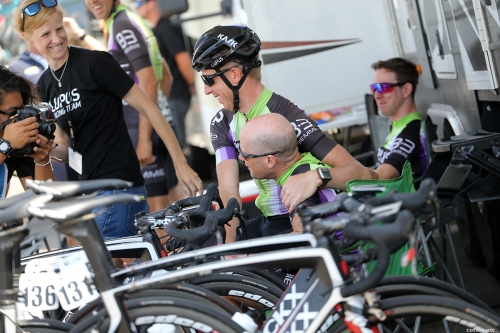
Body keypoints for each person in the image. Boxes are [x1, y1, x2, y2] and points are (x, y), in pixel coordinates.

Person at [13, 0, 203, 239]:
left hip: (120, 186)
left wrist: (180, 164)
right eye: (45, 34)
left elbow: (151, 109)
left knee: (100, 268)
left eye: (59, 29)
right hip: (89, 190)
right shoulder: (44, 85)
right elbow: (63, 144)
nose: (57, 38)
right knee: (127, 268)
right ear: (27, 37)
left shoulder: (96, 63)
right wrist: (46, 149)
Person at [192, 25, 377, 242]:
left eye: (209, 80)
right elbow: (229, 193)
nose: (206, 90)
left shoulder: (285, 115)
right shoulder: (222, 122)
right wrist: (229, 250)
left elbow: (362, 174)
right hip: (267, 220)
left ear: (234, 75)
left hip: (300, 220)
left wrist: (315, 178)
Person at [64, 0, 184, 211]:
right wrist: (157, 114)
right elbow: (164, 75)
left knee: (158, 216)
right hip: (154, 125)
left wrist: (145, 137)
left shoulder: (122, 25)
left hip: (142, 131)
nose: (92, 1)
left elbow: (149, 80)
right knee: (175, 208)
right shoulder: (126, 19)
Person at [238, 113, 337, 237]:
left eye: (245, 154)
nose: (240, 157)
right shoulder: (308, 161)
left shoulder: (296, 185)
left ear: (269, 161)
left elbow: (303, 235)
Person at [135, 0, 195, 150]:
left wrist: (191, 85)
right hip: (168, 96)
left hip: (176, 94)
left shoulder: (166, 28)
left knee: (176, 144)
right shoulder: (156, 30)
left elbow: (183, 59)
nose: (137, 7)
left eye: (139, 3)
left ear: (151, 3)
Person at [0, 65, 54, 198]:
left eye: (22, 112)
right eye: (13, 113)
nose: (19, 120)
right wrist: (5, 146)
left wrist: (42, 160)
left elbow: (46, 204)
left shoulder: (17, 145)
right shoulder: (9, 144)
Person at [370, 57, 428, 180]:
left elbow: (379, 179)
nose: (376, 95)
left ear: (406, 90)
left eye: (383, 87)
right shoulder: (398, 126)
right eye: (374, 88)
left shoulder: (413, 132)